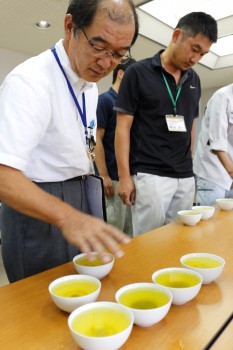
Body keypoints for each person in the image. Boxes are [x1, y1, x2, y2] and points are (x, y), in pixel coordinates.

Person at [0, 0, 139, 282]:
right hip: (38, 204)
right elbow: (3, 175)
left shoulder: (88, 85)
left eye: (118, 54)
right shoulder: (30, 81)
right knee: (40, 301)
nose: (105, 63)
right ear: (70, 26)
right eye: (98, 47)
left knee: (82, 288)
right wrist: (68, 216)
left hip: (79, 194)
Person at [114, 12, 217, 236]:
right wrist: (124, 177)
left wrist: (188, 163)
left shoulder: (194, 80)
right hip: (151, 175)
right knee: (148, 242)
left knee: (179, 239)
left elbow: (190, 125)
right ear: (177, 35)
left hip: (184, 176)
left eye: (203, 54)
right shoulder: (137, 73)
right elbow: (123, 127)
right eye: (194, 49)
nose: (196, 59)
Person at [95, 58, 136, 236]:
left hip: (131, 178)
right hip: (112, 177)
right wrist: (103, 175)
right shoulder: (104, 101)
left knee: (130, 234)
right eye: (134, 78)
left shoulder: (131, 106)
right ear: (121, 74)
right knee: (113, 233)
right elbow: (95, 140)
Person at [193, 84, 233, 205]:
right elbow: (217, 142)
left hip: (230, 174)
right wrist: (231, 171)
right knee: (210, 222)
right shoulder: (222, 96)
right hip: (212, 174)